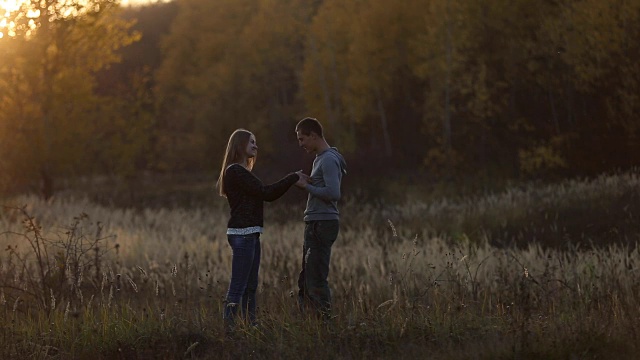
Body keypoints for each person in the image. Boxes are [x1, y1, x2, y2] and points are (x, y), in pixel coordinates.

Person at [216, 128, 308, 332]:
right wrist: (292, 178)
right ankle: (228, 332)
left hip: (250, 233)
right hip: (243, 234)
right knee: (238, 287)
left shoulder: (240, 172)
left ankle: (251, 327)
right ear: (240, 145)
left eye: (256, 142)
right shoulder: (235, 171)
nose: (256, 146)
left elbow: (264, 193)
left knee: (250, 287)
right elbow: (267, 193)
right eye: (252, 142)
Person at [294, 117, 347, 321]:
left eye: (302, 139)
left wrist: (305, 187)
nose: (301, 144)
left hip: (322, 223)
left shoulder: (328, 159)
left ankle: (324, 325)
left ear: (314, 136)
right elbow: (324, 186)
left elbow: (334, 193)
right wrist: (310, 180)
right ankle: (309, 323)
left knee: (316, 278)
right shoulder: (320, 159)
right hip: (315, 222)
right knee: (307, 278)